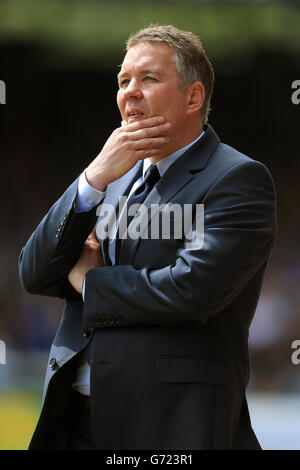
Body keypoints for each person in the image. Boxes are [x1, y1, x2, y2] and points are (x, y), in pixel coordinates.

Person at [19, 24, 276, 450]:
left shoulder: (238, 178)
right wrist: (92, 177)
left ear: (193, 97)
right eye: (124, 81)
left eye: (148, 79)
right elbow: (35, 273)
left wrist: (90, 283)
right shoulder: (110, 177)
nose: (130, 92)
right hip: (72, 426)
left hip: (169, 427)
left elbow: (192, 288)